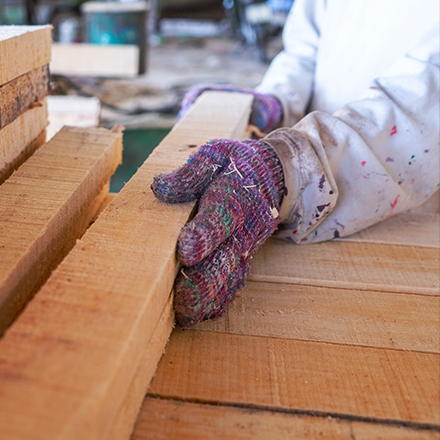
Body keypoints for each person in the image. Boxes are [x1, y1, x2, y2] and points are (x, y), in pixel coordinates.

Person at [152, 0, 440, 328]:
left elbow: (428, 104)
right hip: (307, 183)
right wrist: (278, 101)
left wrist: (291, 166)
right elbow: (307, 49)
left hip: (405, 228)